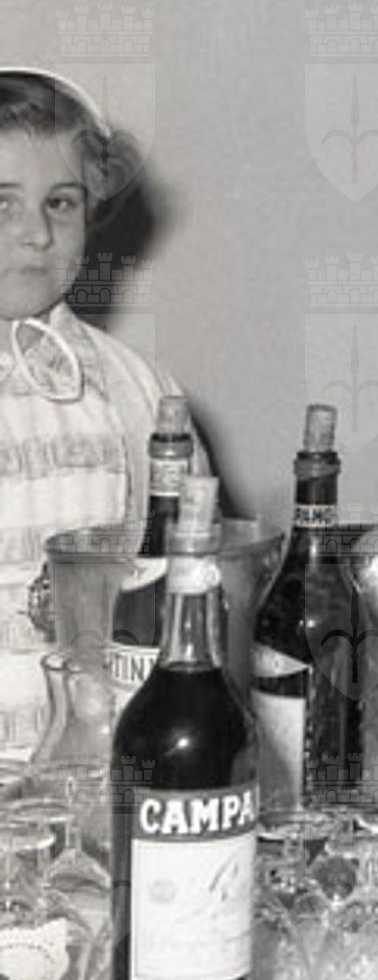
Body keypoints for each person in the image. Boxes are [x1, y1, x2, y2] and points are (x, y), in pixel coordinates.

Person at [0, 69, 200, 756]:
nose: (36, 234)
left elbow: (189, 581)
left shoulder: (136, 390)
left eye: (60, 203)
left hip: (97, 763)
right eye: (1, 204)